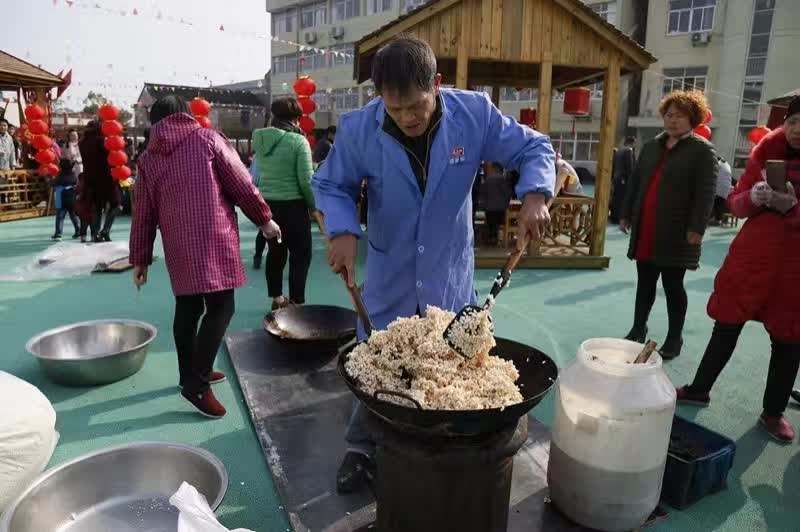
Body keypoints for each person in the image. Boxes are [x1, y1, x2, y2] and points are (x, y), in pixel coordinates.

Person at [313, 35, 555, 493]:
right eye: (395, 108)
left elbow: (535, 148)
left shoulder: (474, 115)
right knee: (380, 358)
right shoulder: (358, 128)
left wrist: (536, 196)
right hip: (392, 267)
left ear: (437, 85)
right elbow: (331, 185)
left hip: (448, 267)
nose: (406, 118)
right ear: (379, 96)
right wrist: (342, 232)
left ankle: (446, 441)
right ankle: (362, 448)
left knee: (449, 361)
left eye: (417, 107)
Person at [130, 95, 280, 419]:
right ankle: (197, 384)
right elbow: (242, 183)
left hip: (178, 245)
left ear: (154, 122)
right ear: (185, 115)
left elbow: (142, 213)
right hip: (215, 239)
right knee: (221, 307)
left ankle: (192, 372)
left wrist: (140, 258)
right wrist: (265, 219)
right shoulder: (207, 139)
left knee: (188, 308)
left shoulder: (148, 159)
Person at [675, 96, 800, 443]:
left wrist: (793, 208)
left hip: (794, 270)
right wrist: (756, 196)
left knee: (789, 343)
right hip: (751, 260)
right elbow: (735, 201)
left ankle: (772, 414)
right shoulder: (765, 154)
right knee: (726, 326)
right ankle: (700, 388)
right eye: (793, 122)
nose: (797, 130)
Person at [620, 90, 716, 360]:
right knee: (644, 283)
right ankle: (638, 328)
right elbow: (637, 182)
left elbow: (705, 193)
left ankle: (675, 338)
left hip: (677, 232)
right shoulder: (652, 146)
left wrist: (697, 227)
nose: (673, 121)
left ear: (693, 119)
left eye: (680, 116)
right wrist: (626, 212)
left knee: (674, 286)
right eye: (669, 115)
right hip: (647, 229)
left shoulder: (702, 151)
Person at [251, 98, 316, 309]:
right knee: (300, 254)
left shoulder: (261, 140)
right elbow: (306, 181)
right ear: (297, 119)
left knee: (276, 253)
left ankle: (277, 299)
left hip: (268, 206)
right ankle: (297, 302)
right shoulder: (298, 142)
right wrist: (314, 207)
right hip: (294, 206)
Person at [79, 121, 119, 242]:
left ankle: (96, 234)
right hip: (106, 178)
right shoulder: (102, 141)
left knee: (97, 207)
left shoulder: (82, 143)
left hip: (90, 179)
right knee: (115, 204)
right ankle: (105, 230)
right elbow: (112, 155)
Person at [481, 162, 513, 245]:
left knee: (491, 223)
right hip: (501, 210)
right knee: (499, 221)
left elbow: (482, 195)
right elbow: (508, 194)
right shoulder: (504, 181)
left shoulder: (487, 181)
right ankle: (496, 237)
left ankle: (492, 236)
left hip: (489, 210)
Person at [51, 158, 80, 240]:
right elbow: (76, 184)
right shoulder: (73, 175)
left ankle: (58, 233)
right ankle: (78, 231)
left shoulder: (59, 175)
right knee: (73, 216)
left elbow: (53, 184)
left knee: (60, 216)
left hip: (61, 197)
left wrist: (49, 178)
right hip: (72, 198)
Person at [610, 136, 636, 223]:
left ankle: (613, 216)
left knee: (616, 198)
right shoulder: (629, 151)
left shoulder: (618, 151)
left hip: (616, 179)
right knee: (623, 199)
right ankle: (620, 218)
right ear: (632, 143)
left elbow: (613, 166)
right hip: (624, 179)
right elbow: (630, 167)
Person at [709, 156, 732, 225]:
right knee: (720, 203)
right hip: (726, 189)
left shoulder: (718, 164)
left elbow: (711, 173)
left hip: (719, 187)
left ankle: (714, 219)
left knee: (712, 201)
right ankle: (719, 219)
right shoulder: (727, 165)